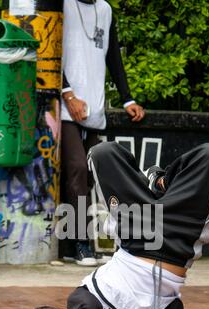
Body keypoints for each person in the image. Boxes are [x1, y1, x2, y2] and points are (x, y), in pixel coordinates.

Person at [21, 141, 209, 309]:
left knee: (102, 153)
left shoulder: (79, 301)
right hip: (178, 243)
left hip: (136, 236)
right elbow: (172, 307)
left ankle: (158, 186)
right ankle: (161, 186)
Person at [60, 0, 145, 266]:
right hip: (64, 108)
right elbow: (49, 49)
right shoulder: (62, 5)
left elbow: (113, 58)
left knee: (90, 177)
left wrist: (127, 99)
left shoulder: (105, 10)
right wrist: (67, 93)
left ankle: (69, 245)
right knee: (76, 168)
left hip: (94, 110)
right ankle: (80, 243)